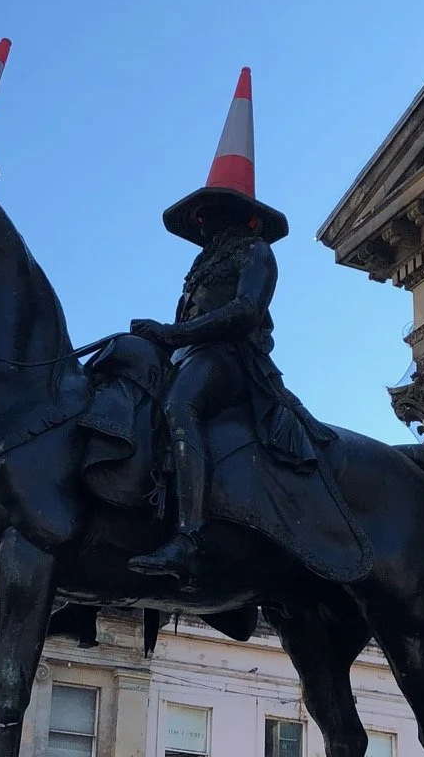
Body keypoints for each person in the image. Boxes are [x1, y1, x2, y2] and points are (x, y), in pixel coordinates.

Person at [129, 69, 325, 586]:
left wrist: (173, 336)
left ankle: (190, 538)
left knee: (179, 405)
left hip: (234, 362)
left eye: (214, 210)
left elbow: (244, 313)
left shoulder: (255, 252)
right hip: (189, 355)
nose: (206, 221)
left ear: (241, 215)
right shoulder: (202, 265)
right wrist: (157, 339)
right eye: (203, 213)